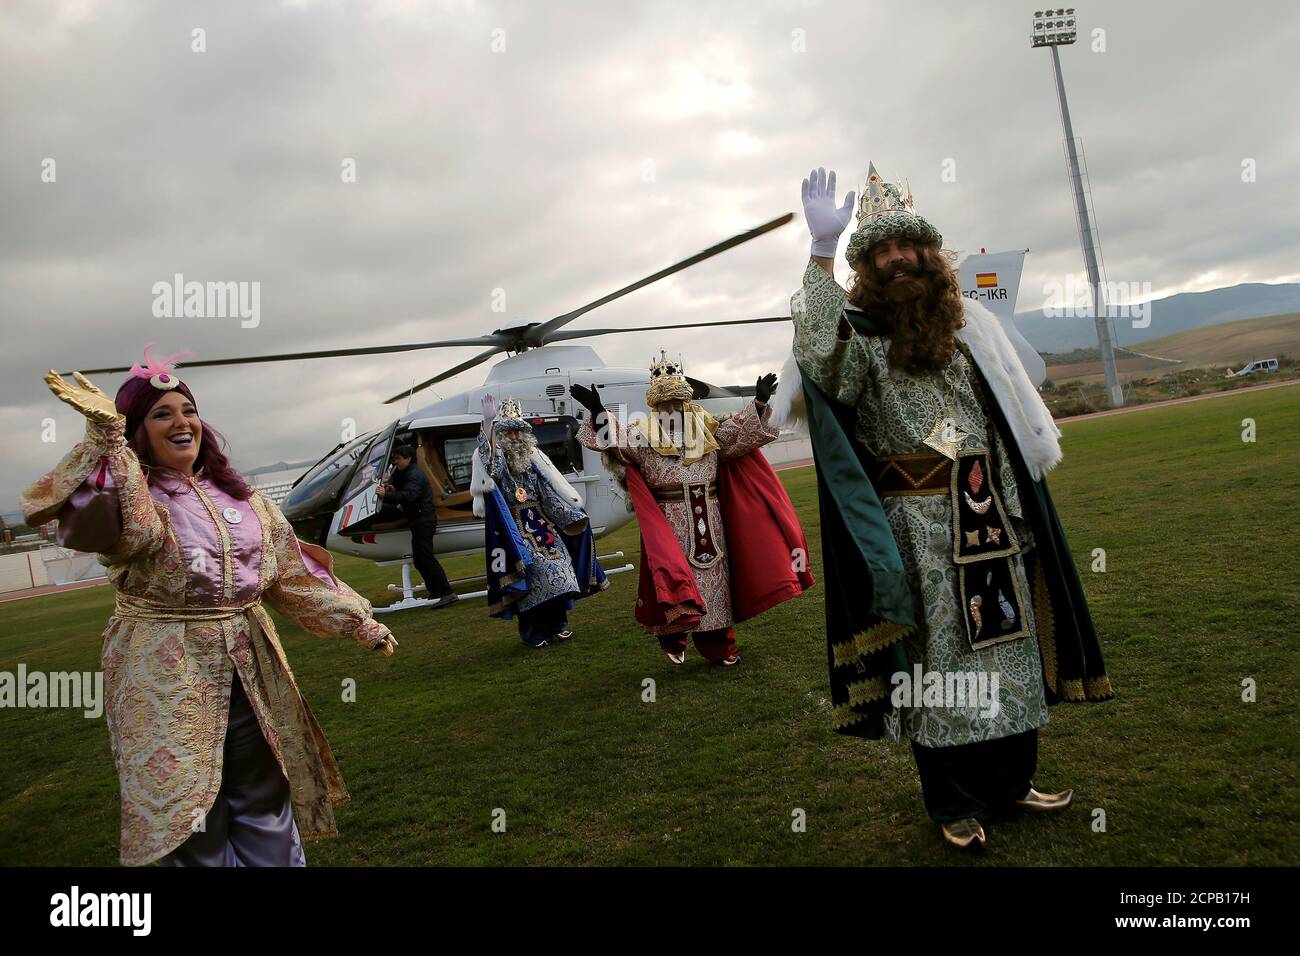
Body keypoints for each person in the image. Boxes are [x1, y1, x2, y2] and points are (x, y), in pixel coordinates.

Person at [771, 165, 1112, 849]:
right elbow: (815, 351)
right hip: (916, 527)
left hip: (991, 519)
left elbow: (1000, 418)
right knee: (941, 671)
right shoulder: (860, 335)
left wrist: (1019, 510)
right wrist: (819, 254)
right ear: (867, 266)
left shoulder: (967, 328)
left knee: (1011, 654)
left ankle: (1013, 783)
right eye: (880, 253)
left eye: (908, 248)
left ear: (929, 255)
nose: (897, 260)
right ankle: (953, 803)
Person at [20, 345, 398, 866]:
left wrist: (357, 621)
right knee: (186, 808)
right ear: (135, 431)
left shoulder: (244, 499)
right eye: (161, 414)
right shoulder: (140, 498)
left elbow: (288, 572)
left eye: (188, 410)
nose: (182, 422)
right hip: (163, 667)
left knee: (263, 790)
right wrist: (106, 442)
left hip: (249, 660)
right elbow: (117, 534)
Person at [572, 351, 813, 666]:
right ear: (655, 407)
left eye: (677, 402)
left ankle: (719, 647)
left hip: (711, 519)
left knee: (716, 585)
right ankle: (672, 635)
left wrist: (757, 402)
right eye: (665, 404)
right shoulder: (643, 436)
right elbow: (618, 443)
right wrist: (599, 411)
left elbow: (738, 434)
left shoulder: (706, 431)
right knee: (673, 579)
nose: (672, 408)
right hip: (669, 524)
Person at [471, 395, 608, 646]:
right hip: (515, 530)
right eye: (508, 433)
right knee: (532, 582)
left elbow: (548, 495)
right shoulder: (499, 465)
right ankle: (534, 634)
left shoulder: (534, 462)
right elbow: (489, 466)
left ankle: (557, 627)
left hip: (544, 529)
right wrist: (488, 425)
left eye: (517, 433)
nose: (514, 438)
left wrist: (572, 517)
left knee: (563, 574)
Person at [378, 444, 456, 609]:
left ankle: (446, 593)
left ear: (408, 459)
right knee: (421, 560)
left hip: (423, 520)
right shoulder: (407, 472)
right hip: (419, 519)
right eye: (394, 458)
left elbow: (409, 496)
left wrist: (387, 495)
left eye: (398, 458)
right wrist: (393, 489)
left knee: (425, 558)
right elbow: (405, 491)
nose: (395, 462)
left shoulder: (414, 474)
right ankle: (436, 592)